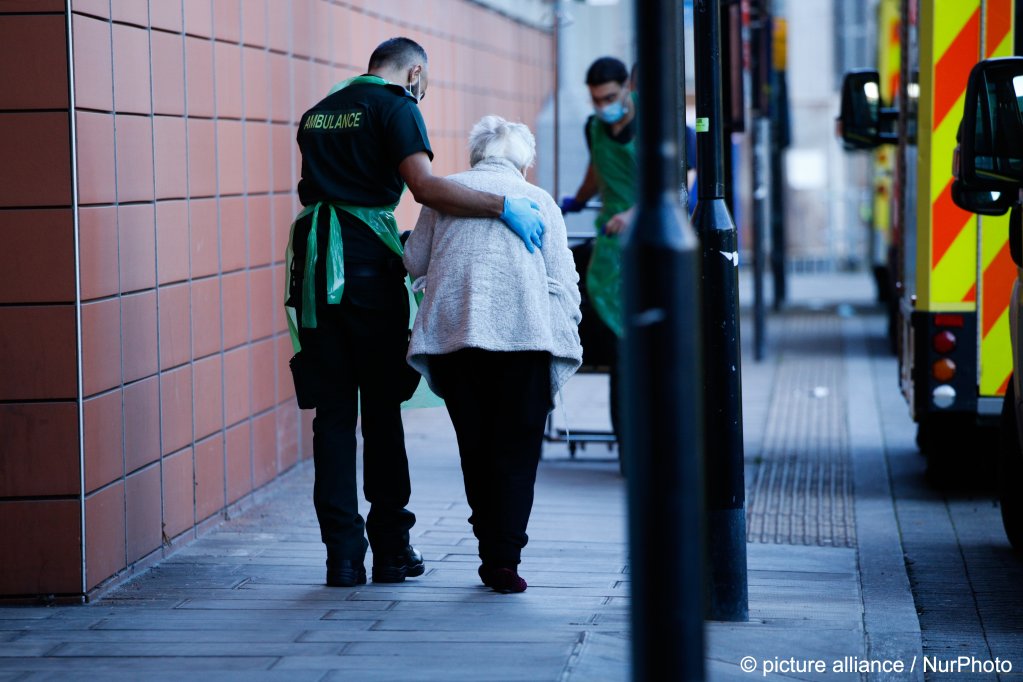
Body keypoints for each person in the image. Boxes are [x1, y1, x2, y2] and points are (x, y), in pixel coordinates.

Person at [285, 37, 547, 588]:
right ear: (415, 72)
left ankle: (342, 556)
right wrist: (503, 205)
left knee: (332, 417)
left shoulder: (318, 113)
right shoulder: (396, 106)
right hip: (365, 276)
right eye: (423, 84)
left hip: (313, 271)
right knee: (380, 412)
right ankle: (391, 549)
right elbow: (425, 188)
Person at [403, 116, 583, 593]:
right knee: (517, 451)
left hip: (458, 339)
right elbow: (565, 280)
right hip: (524, 341)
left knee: (476, 446)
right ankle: (504, 558)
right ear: (524, 162)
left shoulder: (445, 194)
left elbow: (415, 261)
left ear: (475, 154)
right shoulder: (539, 200)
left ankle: (489, 547)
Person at [559, 56, 637, 444]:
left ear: (628, 87)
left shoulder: (663, 127)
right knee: (621, 351)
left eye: (609, 97)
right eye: (596, 100)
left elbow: (677, 190)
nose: (603, 107)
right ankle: (628, 444)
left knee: (637, 347)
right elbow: (597, 170)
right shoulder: (595, 128)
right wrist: (576, 200)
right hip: (610, 253)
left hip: (645, 248)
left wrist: (634, 213)